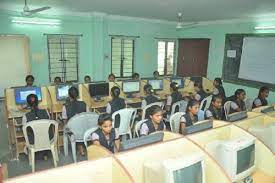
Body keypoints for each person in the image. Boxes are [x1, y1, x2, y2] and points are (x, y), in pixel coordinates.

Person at [22, 94, 52, 159]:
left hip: (34, 141)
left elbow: (24, 129)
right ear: (38, 102)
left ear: (28, 104)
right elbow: (48, 122)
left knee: (28, 133)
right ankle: (45, 153)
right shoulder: (45, 111)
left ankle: (33, 153)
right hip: (47, 138)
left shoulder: (25, 116)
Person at [62, 86, 88, 155]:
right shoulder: (84, 104)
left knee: (66, 125)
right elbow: (87, 116)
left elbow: (65, 122)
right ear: (78, 95)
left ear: (68, 95)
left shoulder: (65, 106)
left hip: (73, 130)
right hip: (84, 128)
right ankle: (81, 147)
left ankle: (80, 147)